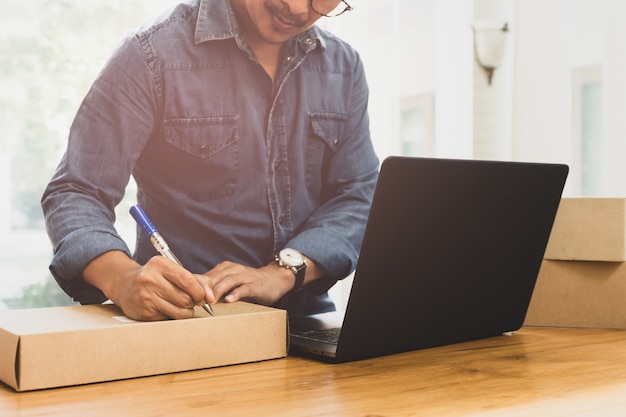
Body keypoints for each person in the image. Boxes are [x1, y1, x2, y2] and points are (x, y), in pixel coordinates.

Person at [41, 0, 379, 321]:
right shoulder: (150, 53)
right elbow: (76, 191)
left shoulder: (342, 68)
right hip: (187, 323)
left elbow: (356, 195)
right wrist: (123, 279)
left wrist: (282, 272)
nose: (296, 8)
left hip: (306, 323)